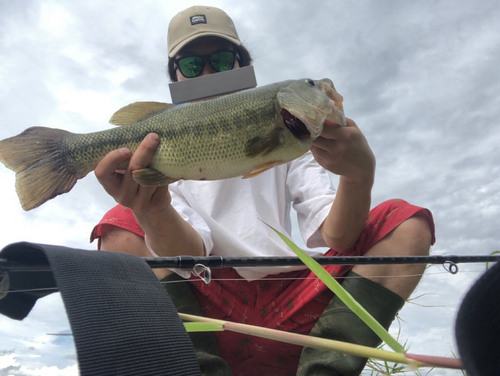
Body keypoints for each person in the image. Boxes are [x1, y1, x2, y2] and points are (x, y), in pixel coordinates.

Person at [90, 6, 435, 376]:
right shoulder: (161, 143)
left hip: (298, 298)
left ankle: (325, 369)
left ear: (243, 64)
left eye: (221, 59)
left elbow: (338, 235)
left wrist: (358, 176)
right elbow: (187, 255)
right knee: (119, 227)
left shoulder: (295, 138)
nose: (208, 73)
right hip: (207, 304)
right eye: (191, 65)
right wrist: (152, 210)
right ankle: (196, 368)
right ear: (175, 75)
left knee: (407, 224)